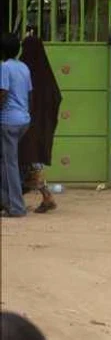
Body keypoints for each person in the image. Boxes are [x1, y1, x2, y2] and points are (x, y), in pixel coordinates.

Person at [18, 29, 62, 213]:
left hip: (25, 123)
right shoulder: (45, 71)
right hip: (40, 124)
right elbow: (56, 97)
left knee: (28, 160)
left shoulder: (23, 68)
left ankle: (46, 196)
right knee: (28, 160)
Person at [1, 33, 32, 218]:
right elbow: (29, 94)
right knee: (6, 161)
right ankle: (7, 202)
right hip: (23, 120)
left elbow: (3, 93)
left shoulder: (4, 67)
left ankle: (17, 207)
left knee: (9, 163)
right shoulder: (24, 67)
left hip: (8, 121)